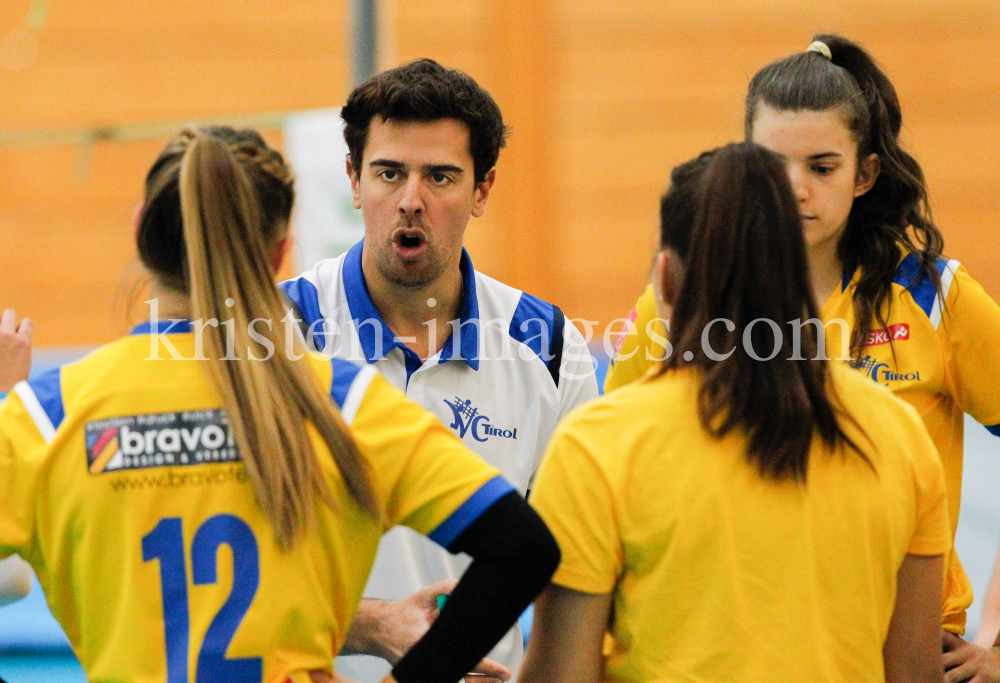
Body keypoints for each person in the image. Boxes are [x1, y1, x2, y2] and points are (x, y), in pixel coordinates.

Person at [0, 125, 560, 683]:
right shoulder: (342, 401)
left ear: (139, 228)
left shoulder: (45, 417)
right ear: (279, 255)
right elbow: (524, 549)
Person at [603, 33, 1000, 671]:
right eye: (770, 166)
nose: (795, 190)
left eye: (822, 167)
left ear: (865, 173)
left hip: (897, 658)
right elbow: (610, 482)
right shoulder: (677, 304)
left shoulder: (937, 300)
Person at [520, 142, 949, 683]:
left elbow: (562, 677)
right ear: (802, 279)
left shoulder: (598, 446)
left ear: (666, 281)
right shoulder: (900, 436)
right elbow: (913, 675)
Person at [279, 59, 598, 681]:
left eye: (441, 177)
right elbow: (227, 580)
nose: (411, 201)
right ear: (353, 179)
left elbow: (576, 572)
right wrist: (374, 627)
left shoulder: (552, 347)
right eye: (389, 173)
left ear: (482, 190)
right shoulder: (279, 336)